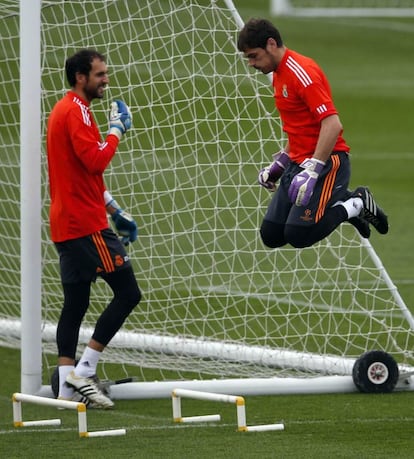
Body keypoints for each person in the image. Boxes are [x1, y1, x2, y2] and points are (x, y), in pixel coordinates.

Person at [237, 18, 388, 249]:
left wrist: (314, 168)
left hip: (328, 162)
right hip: (298, 163)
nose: (251, 63)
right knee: (272, 235)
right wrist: (281, 163)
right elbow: (302, 127)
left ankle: (355, 204)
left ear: (271, 44)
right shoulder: (278, 74)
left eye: (253, 56)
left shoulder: (302, 73)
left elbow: (332, 124)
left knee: (299, 235)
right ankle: (347, 202)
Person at [46, 49, 141, 408]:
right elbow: (96, 159)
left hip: (66, 222)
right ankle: (84, 370)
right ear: (80, 78)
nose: (106, 80)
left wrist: (116, 210)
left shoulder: (64, 110)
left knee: (76, 302)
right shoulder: (76, 112)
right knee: (129, 293)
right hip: (85, 225)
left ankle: (66, 387)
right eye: (100, 75)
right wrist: (117, 130)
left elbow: (83, 174)